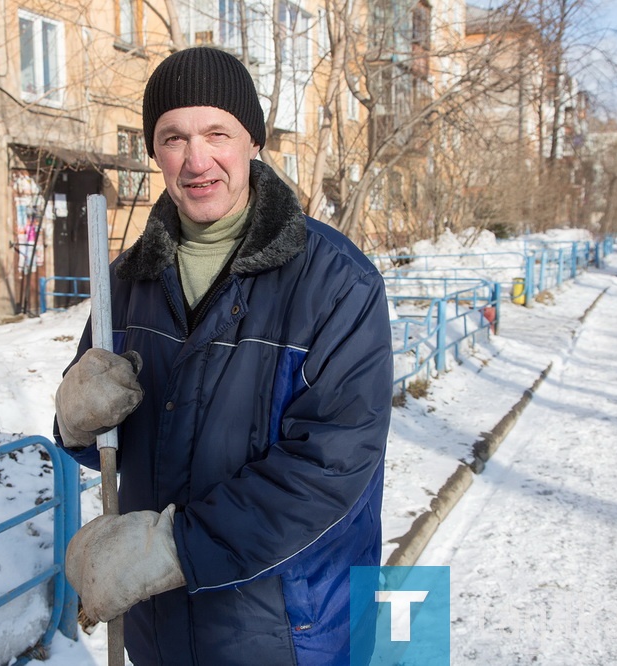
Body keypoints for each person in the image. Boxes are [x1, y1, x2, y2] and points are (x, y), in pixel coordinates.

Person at [55, 46, 392, 665]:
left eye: (218, 133)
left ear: (253, 142)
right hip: (161, 633)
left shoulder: (336, 283)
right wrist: (74, 419)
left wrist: (174, 547)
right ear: (154, 152)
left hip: (291, 631)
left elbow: (332, 465)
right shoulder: (127, 282)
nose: (197, 159)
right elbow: (100, 438)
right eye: (173, 137)